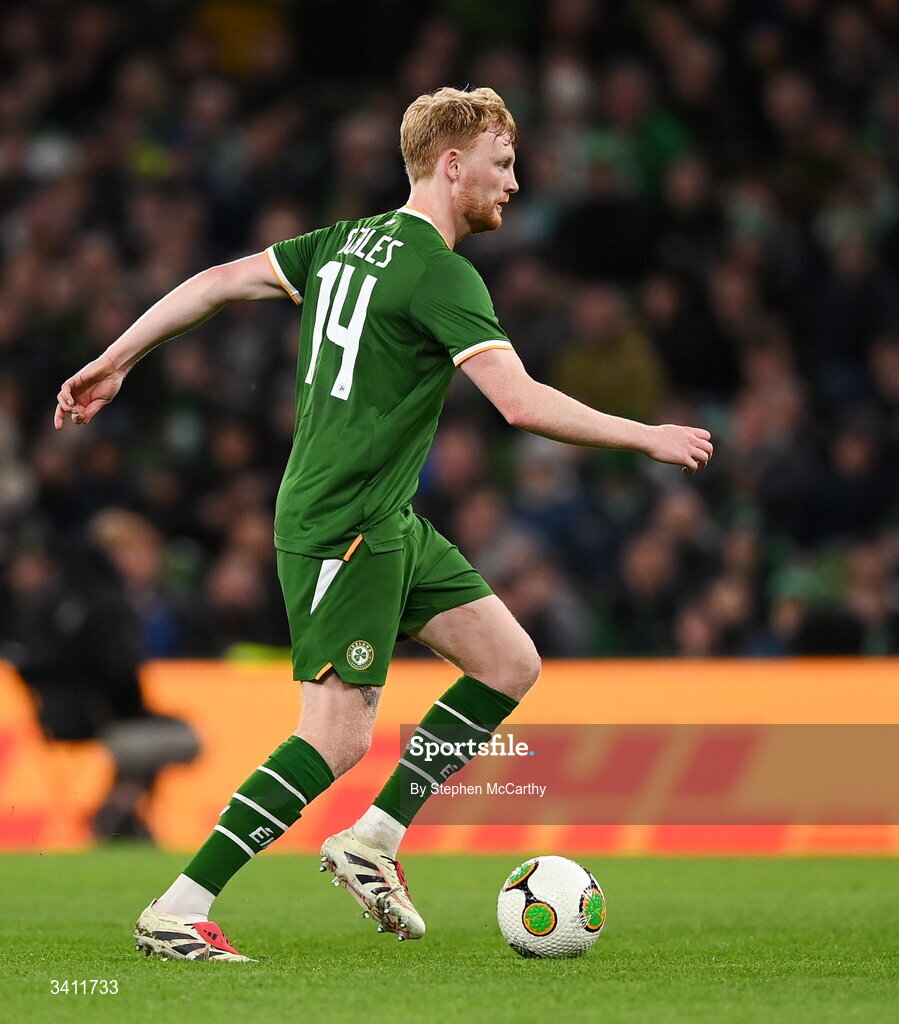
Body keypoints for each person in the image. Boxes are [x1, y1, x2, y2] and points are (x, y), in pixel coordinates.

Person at [54, 87, 713, 962]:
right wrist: (647, 435)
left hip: (386, 515)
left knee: (507, 660)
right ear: (452, 163)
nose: (513, 183)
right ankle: (179, 905)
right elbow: (516, 405)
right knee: (335, 736)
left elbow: (217, 282)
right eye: (501, 162)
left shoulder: (342, 243)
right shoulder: (439, 271)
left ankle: (373, 839)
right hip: (344, 521)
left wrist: (115, 357)